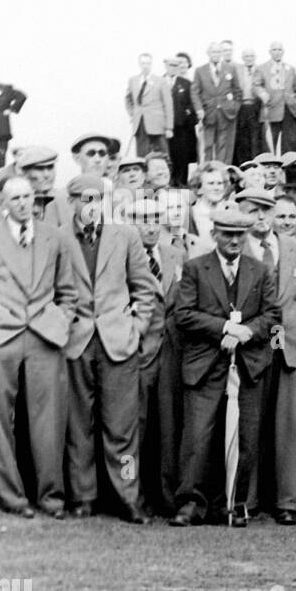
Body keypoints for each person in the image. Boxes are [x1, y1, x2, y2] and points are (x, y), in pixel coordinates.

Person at [0, 175, 83, 518]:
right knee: (0, 420)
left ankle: (51, 497)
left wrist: (59, 320)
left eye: (28, 196)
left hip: (45, 336)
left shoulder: (54, 237)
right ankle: (11, 496)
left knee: (50, 421)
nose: (23, 203)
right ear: (2, 202)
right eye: (15, 198)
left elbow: (68, 292)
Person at [169, 201, 280, 526]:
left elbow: (274, 317)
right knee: (198, 439)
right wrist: (224, 328)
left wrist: (246, 331)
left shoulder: (259, 270)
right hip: (204, 365)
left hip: (248, 365)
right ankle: (190, 504)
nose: (234, 241)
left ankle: (234, 503)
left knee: (245, 439)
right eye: (228, 234)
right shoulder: (195, 267)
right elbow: (183, 315)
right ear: (215, 234)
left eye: (239, 235)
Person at [60, 173, 154, 521]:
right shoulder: (58, 239)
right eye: (84, 200)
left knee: (122, 427)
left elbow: (146, 290)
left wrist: (136, 328)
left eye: (96, 199)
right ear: (71, 203)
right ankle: (83, 496)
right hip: (75, 342)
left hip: (118, 342)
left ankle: (128, 496)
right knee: (77, 425)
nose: (91, 207)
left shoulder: (125, 236)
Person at [237, 189, 296, 525]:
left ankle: (287, 502)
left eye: (266, 211)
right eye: (253, 211)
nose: (261, 217)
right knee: (251, 425)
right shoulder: (239, 248)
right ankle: (248, 498)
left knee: (288, 427)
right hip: (252, 348)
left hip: (290, 347)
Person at [129, 197, 185, 516]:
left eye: (155, 218)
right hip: (138, 351)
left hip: (172, 351)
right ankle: (132, 496)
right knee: (134, 428)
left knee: (168, 427)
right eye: (142, 218)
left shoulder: (175, 254)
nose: (150, 225)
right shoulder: (124, 256)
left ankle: (167, 496)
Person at [125, 53, 173, 157]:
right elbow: (128, 99)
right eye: (143, 63)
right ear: (139, 64)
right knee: (142, 154)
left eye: (148, 63)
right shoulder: (133, 80)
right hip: (140, 123)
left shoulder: (160, 81)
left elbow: (168, 104)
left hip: (157, 123)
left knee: (162, 154)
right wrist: (133, 114)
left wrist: (169, 127)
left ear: (151, 64)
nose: (145, 66)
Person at [165, 54, 199, 185]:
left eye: (176, 65)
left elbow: (192, 103)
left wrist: (187, 115)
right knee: (169, 153)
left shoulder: (186, 83)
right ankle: (170, 180)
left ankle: (181, 180)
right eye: (171, 65)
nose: (173, 68)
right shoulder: (161, 81)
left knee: (183, 154)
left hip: (183, 126)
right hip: (166, 126)